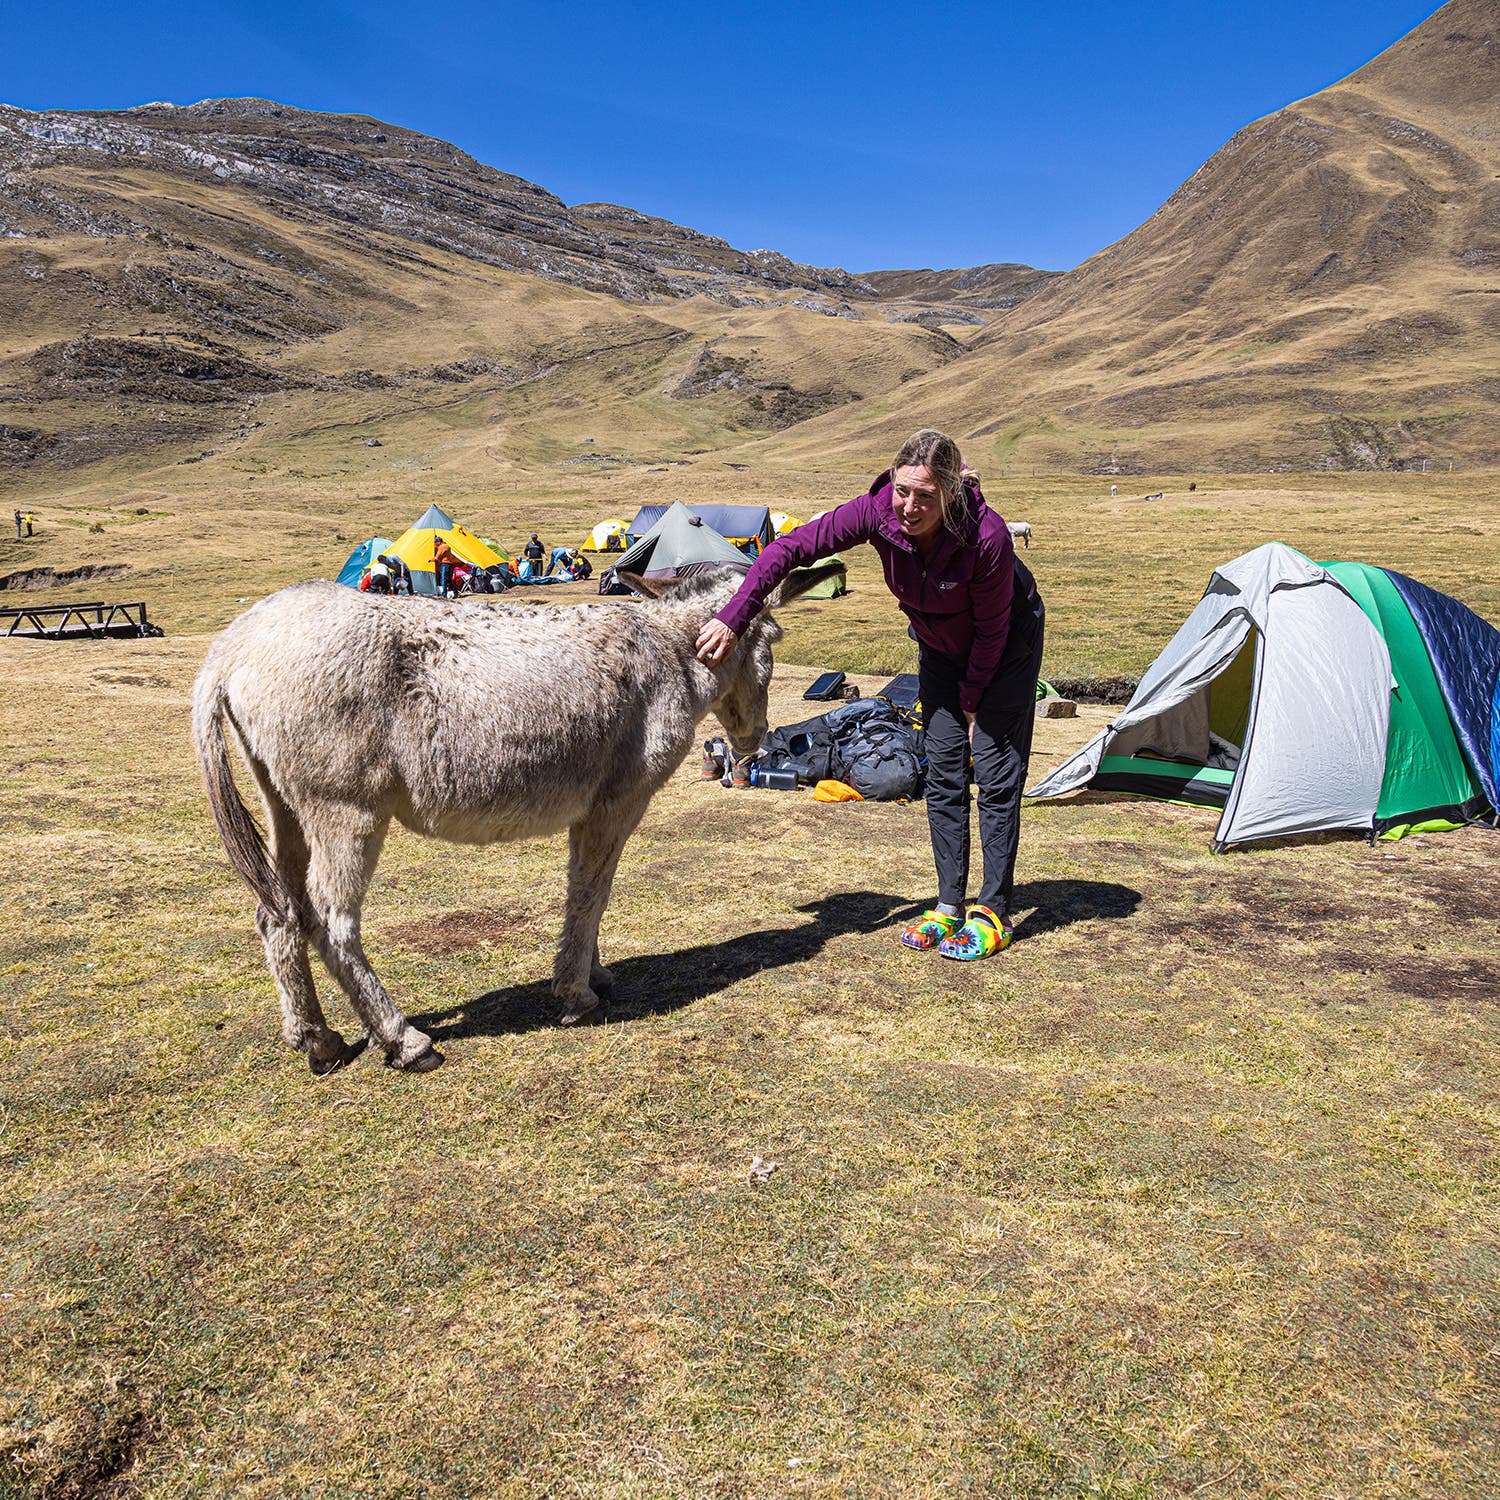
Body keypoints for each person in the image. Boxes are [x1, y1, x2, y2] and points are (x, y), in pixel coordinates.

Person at [696, 428, 1044, 962]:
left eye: (925, 496)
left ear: (950, 493)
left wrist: (975, 700)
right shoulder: (875, 511)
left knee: (995, 772)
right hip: (939, 649)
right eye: (903, 491)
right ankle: (950, 904)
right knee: (945, 767)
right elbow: (790, 548)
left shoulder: (986, 536)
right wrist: (734, 618)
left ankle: (993, 910)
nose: (909, 506)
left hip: (1004, 649)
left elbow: (994, 630)